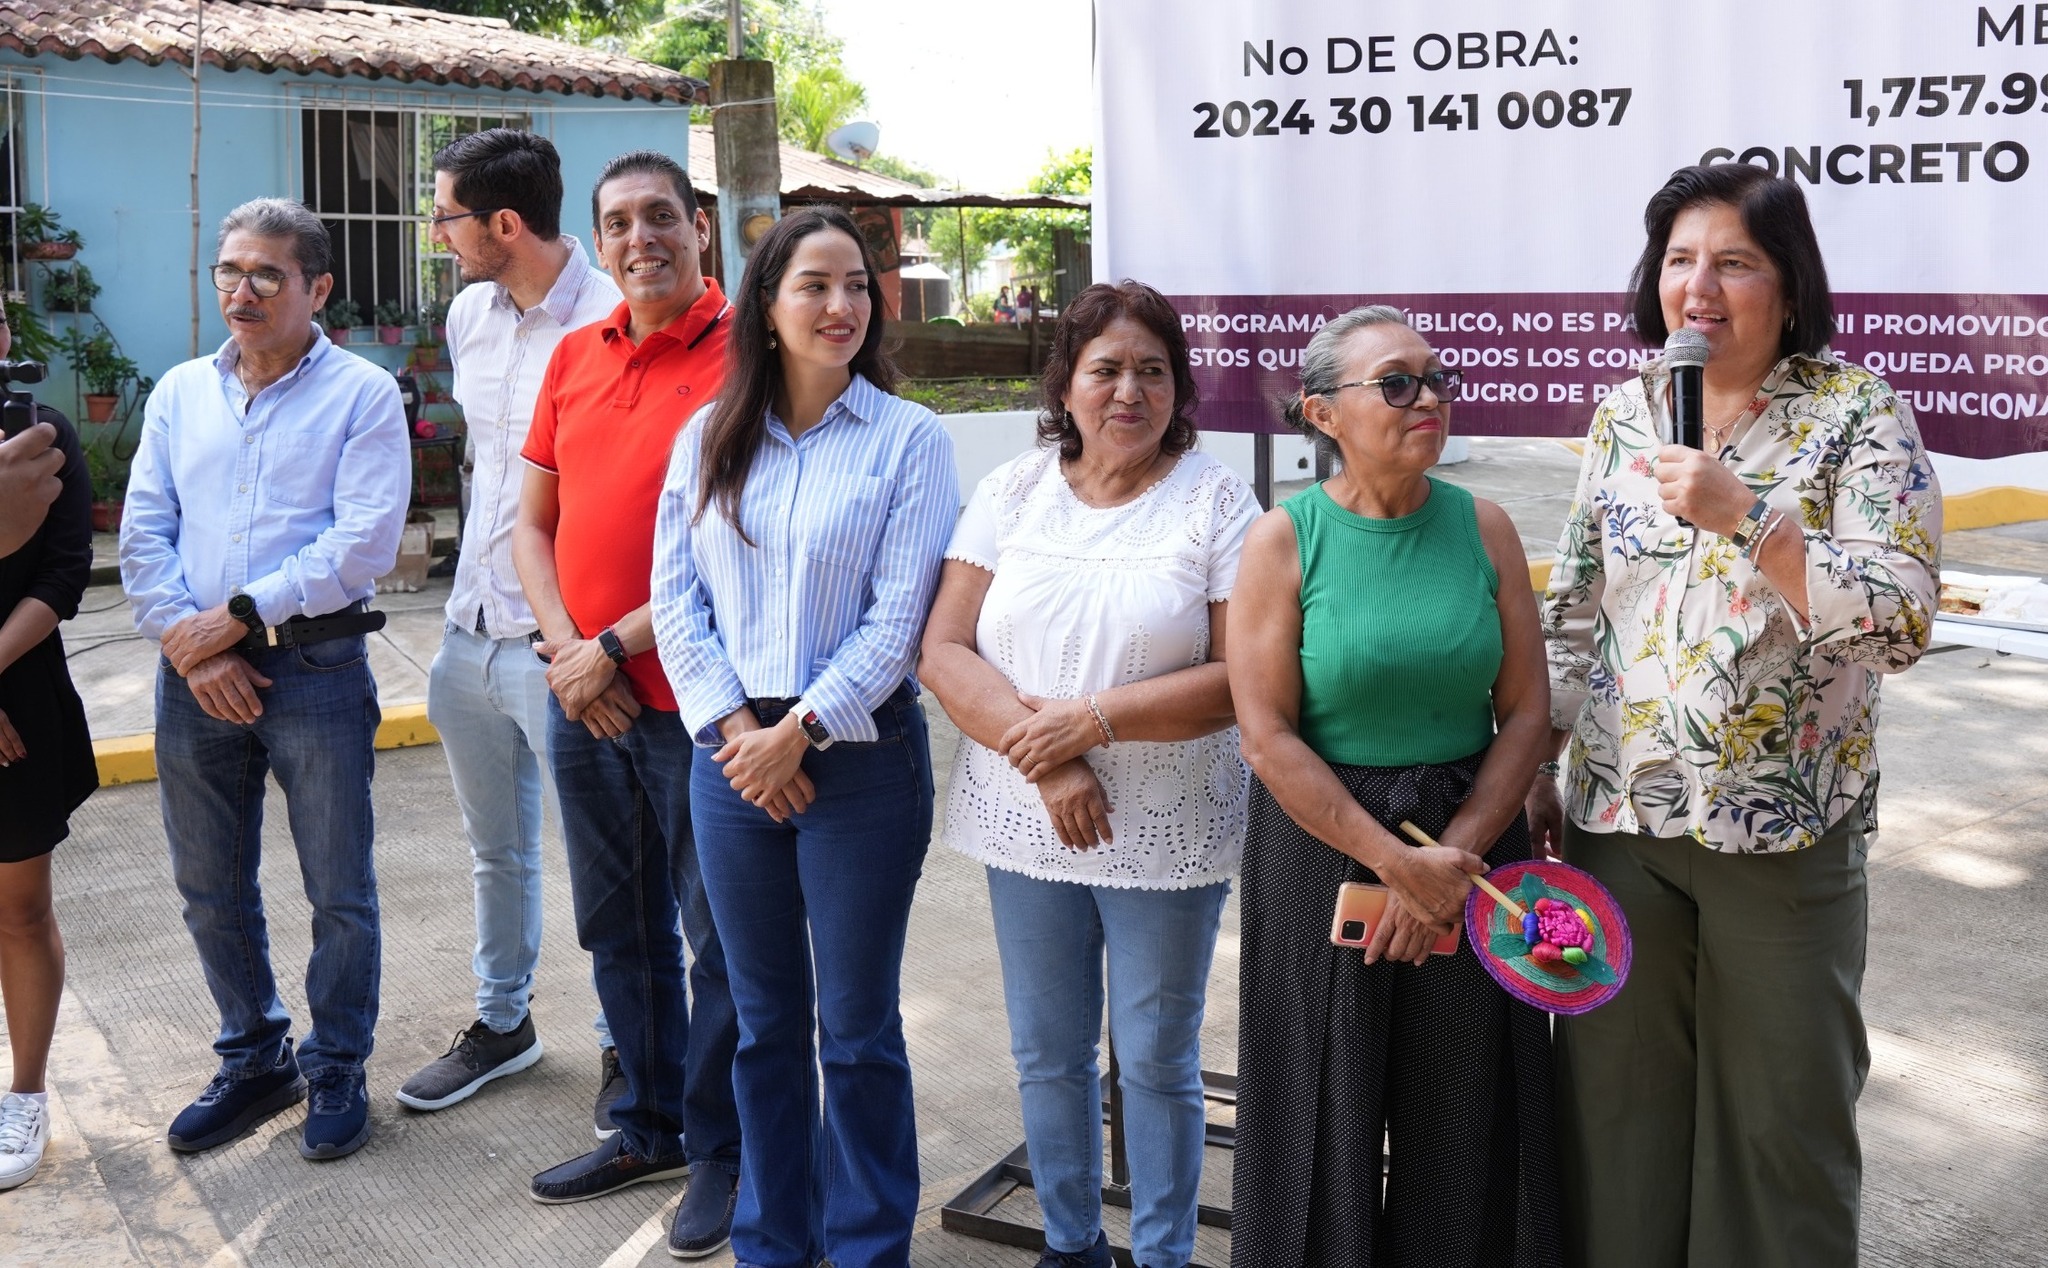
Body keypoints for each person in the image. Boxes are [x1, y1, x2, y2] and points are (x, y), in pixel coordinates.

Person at [1533, 163, 1942, 1268]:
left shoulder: (1858, 413)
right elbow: (1576, 610)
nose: (1698, 287)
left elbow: (1901, 621)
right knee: (1616, 1115)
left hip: (1783, 826)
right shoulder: (1624, 412)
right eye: (1679, 260)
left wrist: (1751, 518)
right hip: (1618, 820)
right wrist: (1534, 764)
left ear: (1789, 284)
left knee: (1781, 1122)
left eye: (1733, 262)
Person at [919, 280, 1254, 1268]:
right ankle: (1070, 1244)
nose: (1128, 391)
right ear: (1065, 382)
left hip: (1163, 828)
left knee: (1154, 1056)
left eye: (1152, 371)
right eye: (1105, 369)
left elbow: (1241, 676)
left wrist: (1093, 720)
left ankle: (1161, 1253)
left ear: (1178, 388)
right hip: (1027, 816)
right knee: (1048, 1051)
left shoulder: (1215, 500)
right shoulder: (1013, 490)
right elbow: (944, 648)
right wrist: (1054, 760)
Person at [651, 205, 954, 1268]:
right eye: (815, 285)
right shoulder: (707, 435)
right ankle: (773, 1240)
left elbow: (899, 614)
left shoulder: (909, 438)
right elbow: (674, 598)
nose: (841, 305)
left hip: (859, 760)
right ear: (766, 306)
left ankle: (867, 1245)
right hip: (731, 759)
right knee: (762, 1020)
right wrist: (742, 732)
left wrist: (801, 729)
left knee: (857, 1028)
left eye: (857, 286)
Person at [1228, 305, 1561, 1267]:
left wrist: (1447, 864)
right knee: (1317, 1111)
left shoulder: (1484, 527)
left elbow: (1526, 712)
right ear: (1323, 413)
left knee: (1465, 1111)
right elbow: (1266, 735)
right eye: (1397, 383)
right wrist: (1394, 864)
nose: (1429, 399)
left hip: (1470, 842)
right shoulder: (1284, 540)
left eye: (1437, 379)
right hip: (1321, 849)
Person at [119, 198, 410, 1161]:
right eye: (229, 272)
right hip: (193, 676)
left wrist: (238, 617)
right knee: (209, 884)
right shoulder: (179, 392)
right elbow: (144, 531)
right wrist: (194, 645)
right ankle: (253, 1058)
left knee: (339, 889)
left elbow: (362, 540)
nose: (241, 292)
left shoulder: (363, 394)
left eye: (267, 275)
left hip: (315, 669)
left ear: (317, 288)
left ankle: (337, 1064)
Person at [512, 149, 741, 1257]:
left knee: (719, 937)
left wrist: (607, 650)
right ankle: (649, 1125)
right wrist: (571, 655)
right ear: (596, 241)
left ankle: (728, 1148)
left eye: (660, 216)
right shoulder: (573, 354)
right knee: (618, 926)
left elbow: (731, 543)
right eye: (617, 223)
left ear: (699, 227)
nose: (639, 238)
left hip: (697, 704)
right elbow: (530, 524)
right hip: (585, 695)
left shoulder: (751, 353)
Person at [395, 128, 626, 1126]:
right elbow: (491, 471)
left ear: (502, 223)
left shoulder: (613, 320)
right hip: (468, 632)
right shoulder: (469, 317)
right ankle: (503, 1023)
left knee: (611, 860)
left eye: (444, 215)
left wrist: (586, 646)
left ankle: (629, 1043)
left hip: (562, 645)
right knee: (495, 851)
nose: (434, 234)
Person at [0, 317, 96, 1193]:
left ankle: (24, 1094)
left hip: (17, 704)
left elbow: (64, 574)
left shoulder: (41, 434)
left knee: (19, 911)